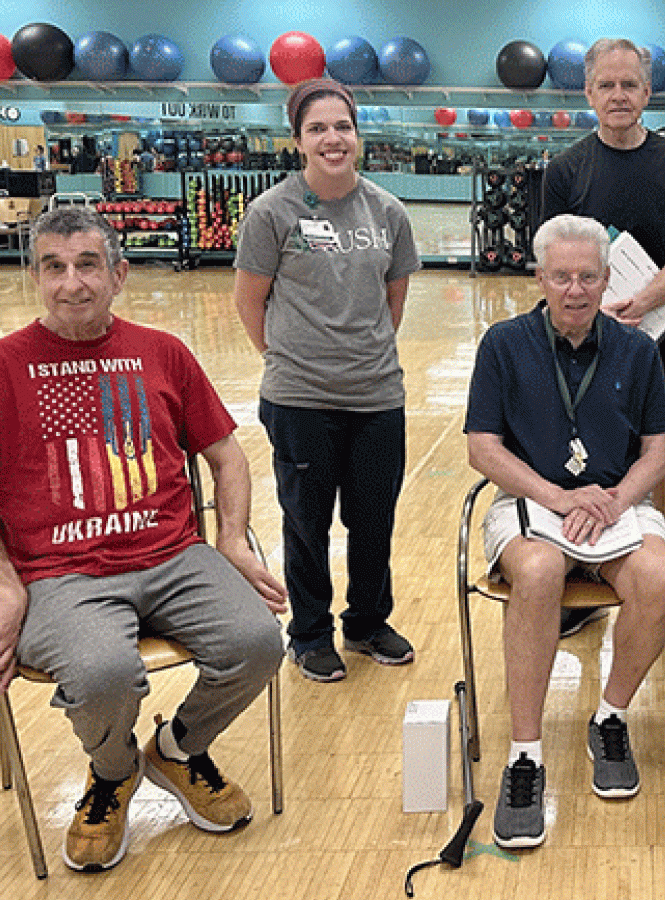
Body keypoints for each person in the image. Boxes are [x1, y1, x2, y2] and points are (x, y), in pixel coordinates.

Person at [0, 206, 287, 873]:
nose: (72, 283)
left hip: (173, 555)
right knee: (103, 674)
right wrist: (6, 589)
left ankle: (177, 750)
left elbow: (227, 456)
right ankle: (113, 772)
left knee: (259, 643)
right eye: (55, 268)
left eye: (88, 265)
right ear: (34, 277)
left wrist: (232, 542)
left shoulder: (164, 352)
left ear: (119, 274)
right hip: (60, 576)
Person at [464, 213, 665, 849]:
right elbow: (482, 447)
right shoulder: (503, 344)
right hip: (531, 499)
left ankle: (610, 717)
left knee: (658, 575)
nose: (576, 289)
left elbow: (657, 450)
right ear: (541, 278)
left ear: (608, 280)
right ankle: (524, 754)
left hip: (615, 500)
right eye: (562, 277)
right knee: (538, 570)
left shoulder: (638, 349)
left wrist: (616, 500)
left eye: (589, 277)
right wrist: (558, 496)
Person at [234, 78, 421, 683]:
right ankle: (309, 633)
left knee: (373, 521)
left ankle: (366, 623)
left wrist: (359, 356)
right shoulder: (271, 213)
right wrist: (292, 360)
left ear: (357, 136)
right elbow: (249, 302)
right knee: (306, 525)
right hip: (300, 401)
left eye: (342, 126)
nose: (332, 138)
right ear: (297, 141)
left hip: (375, 397)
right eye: (317, 129)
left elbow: (392, 302)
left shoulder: (387, 211)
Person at [541, 36, 665, 641]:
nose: (618, 95)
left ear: (646, 92)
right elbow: (552, 267)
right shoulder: (565, 170)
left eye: (629, 84)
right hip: (586, 344)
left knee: (663, 464)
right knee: (586, 456)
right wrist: (596, 313)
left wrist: (645, 300)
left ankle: (658, 589)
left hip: (663, 335)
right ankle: (587, 578)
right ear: (588, 92)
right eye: (606, 85)